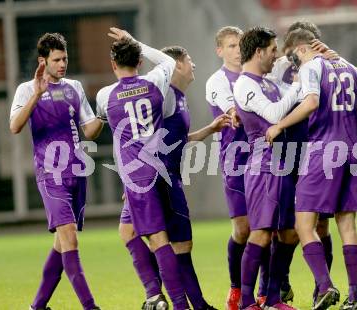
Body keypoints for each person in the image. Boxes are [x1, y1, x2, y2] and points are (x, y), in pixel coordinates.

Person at [266, 28, 357, 310]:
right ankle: (354, 298)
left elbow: (310, 103)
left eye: (292, 56)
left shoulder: (311, 66)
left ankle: (325, 285)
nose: (293, 63)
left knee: (303, 224)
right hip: (353, 151)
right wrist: (343, 107)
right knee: (347, 225)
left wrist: (279, 125)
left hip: (324, 151)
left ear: (302, 48)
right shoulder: (351, 68)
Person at [117, 44, 228, 310]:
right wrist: (133, 178)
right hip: (159, 179)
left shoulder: (178, 97)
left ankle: (168, 297)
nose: (194, 64)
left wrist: (208, 130)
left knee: (160, 239)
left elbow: (174, 140)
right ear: (176, 65)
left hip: (162, 176)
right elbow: (143, 139)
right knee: (168, 242)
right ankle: (165, 297)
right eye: (189, 59)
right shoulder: (164, 95)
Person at [95, 27, 189, 310]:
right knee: (127, 232)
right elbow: (168, 62)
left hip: (137, 177)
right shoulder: (155, 82)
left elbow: (109, 130)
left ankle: (177, 304)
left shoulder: (105, 95)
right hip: (158, 168)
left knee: (158, 238)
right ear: (139, 62)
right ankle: (154, 295)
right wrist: (136, 42)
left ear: (113, 65)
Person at [10, 32, 102, 310]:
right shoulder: (27, 89)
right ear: (43, 61)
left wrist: (105, 115)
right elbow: (14, 126)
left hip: (77, 173)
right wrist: (37, 94)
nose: (63, 64)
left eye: (65, 59)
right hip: (51, 176)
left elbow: (89, 131)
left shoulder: (74, 86)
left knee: (61, 245)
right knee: (70, 238)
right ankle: (90, 306)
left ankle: (37, 306)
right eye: (57, 59)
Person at [233, 26, 303, 310]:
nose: (275, 55)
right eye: (272, 50)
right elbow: (274, 115)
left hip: (285, 164)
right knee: (261, 233)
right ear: (259, 51)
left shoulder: (269, 83)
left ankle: (273, 298)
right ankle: (247, 302)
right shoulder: (244, 84)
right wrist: (298, 85)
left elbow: (297, 98)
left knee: (290, 232)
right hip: (264, 166)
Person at [205, 26, 271, 309]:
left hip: (263, 158)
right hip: (235, 162)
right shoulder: (217, 81)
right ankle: (235, 288)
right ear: (219, 50)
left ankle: (265, 291)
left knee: (266, 227)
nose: (236, 50)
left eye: (239, 45)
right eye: (230, 46)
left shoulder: (259, 78)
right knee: (243, 230)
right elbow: (236, 113)